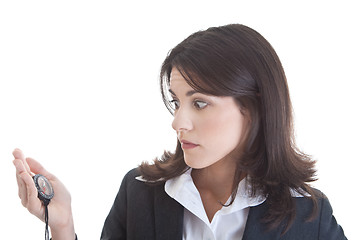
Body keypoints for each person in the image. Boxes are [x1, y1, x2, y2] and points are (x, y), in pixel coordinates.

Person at [13, 24, 347, 240]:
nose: (178, 122)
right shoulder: (139, 193)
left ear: (255, 106)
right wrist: (61, 226)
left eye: (200, 103)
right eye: (176, 101)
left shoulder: (308, 215)